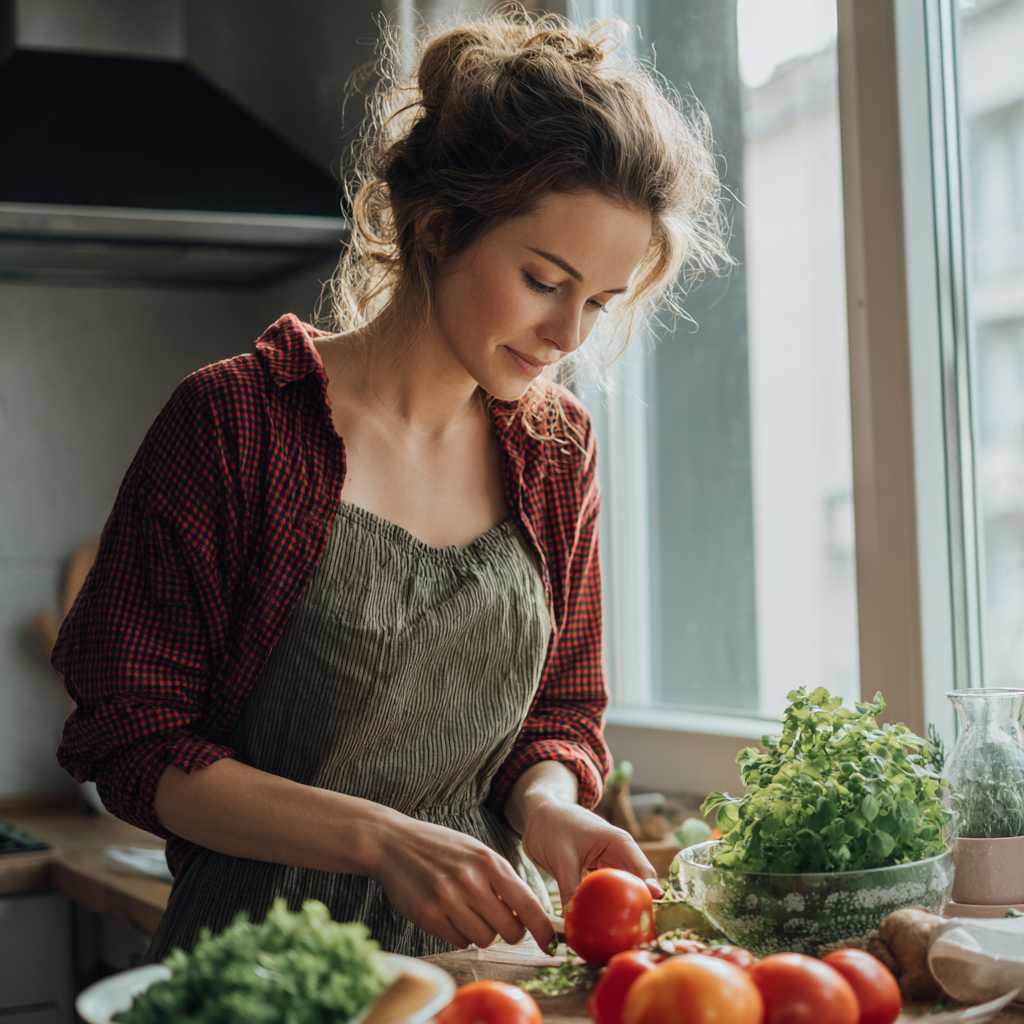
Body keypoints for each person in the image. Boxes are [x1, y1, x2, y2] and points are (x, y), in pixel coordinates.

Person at [53, 9, 729, 959]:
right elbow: (129, 740)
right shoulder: (236, 424)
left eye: (600, 303)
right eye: (544, 280)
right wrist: (381, 839)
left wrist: (549, 810)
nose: (570, 336)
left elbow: (559, 715)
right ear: (441, 227)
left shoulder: (555, 453)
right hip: (268, 973)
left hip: (488, 973)